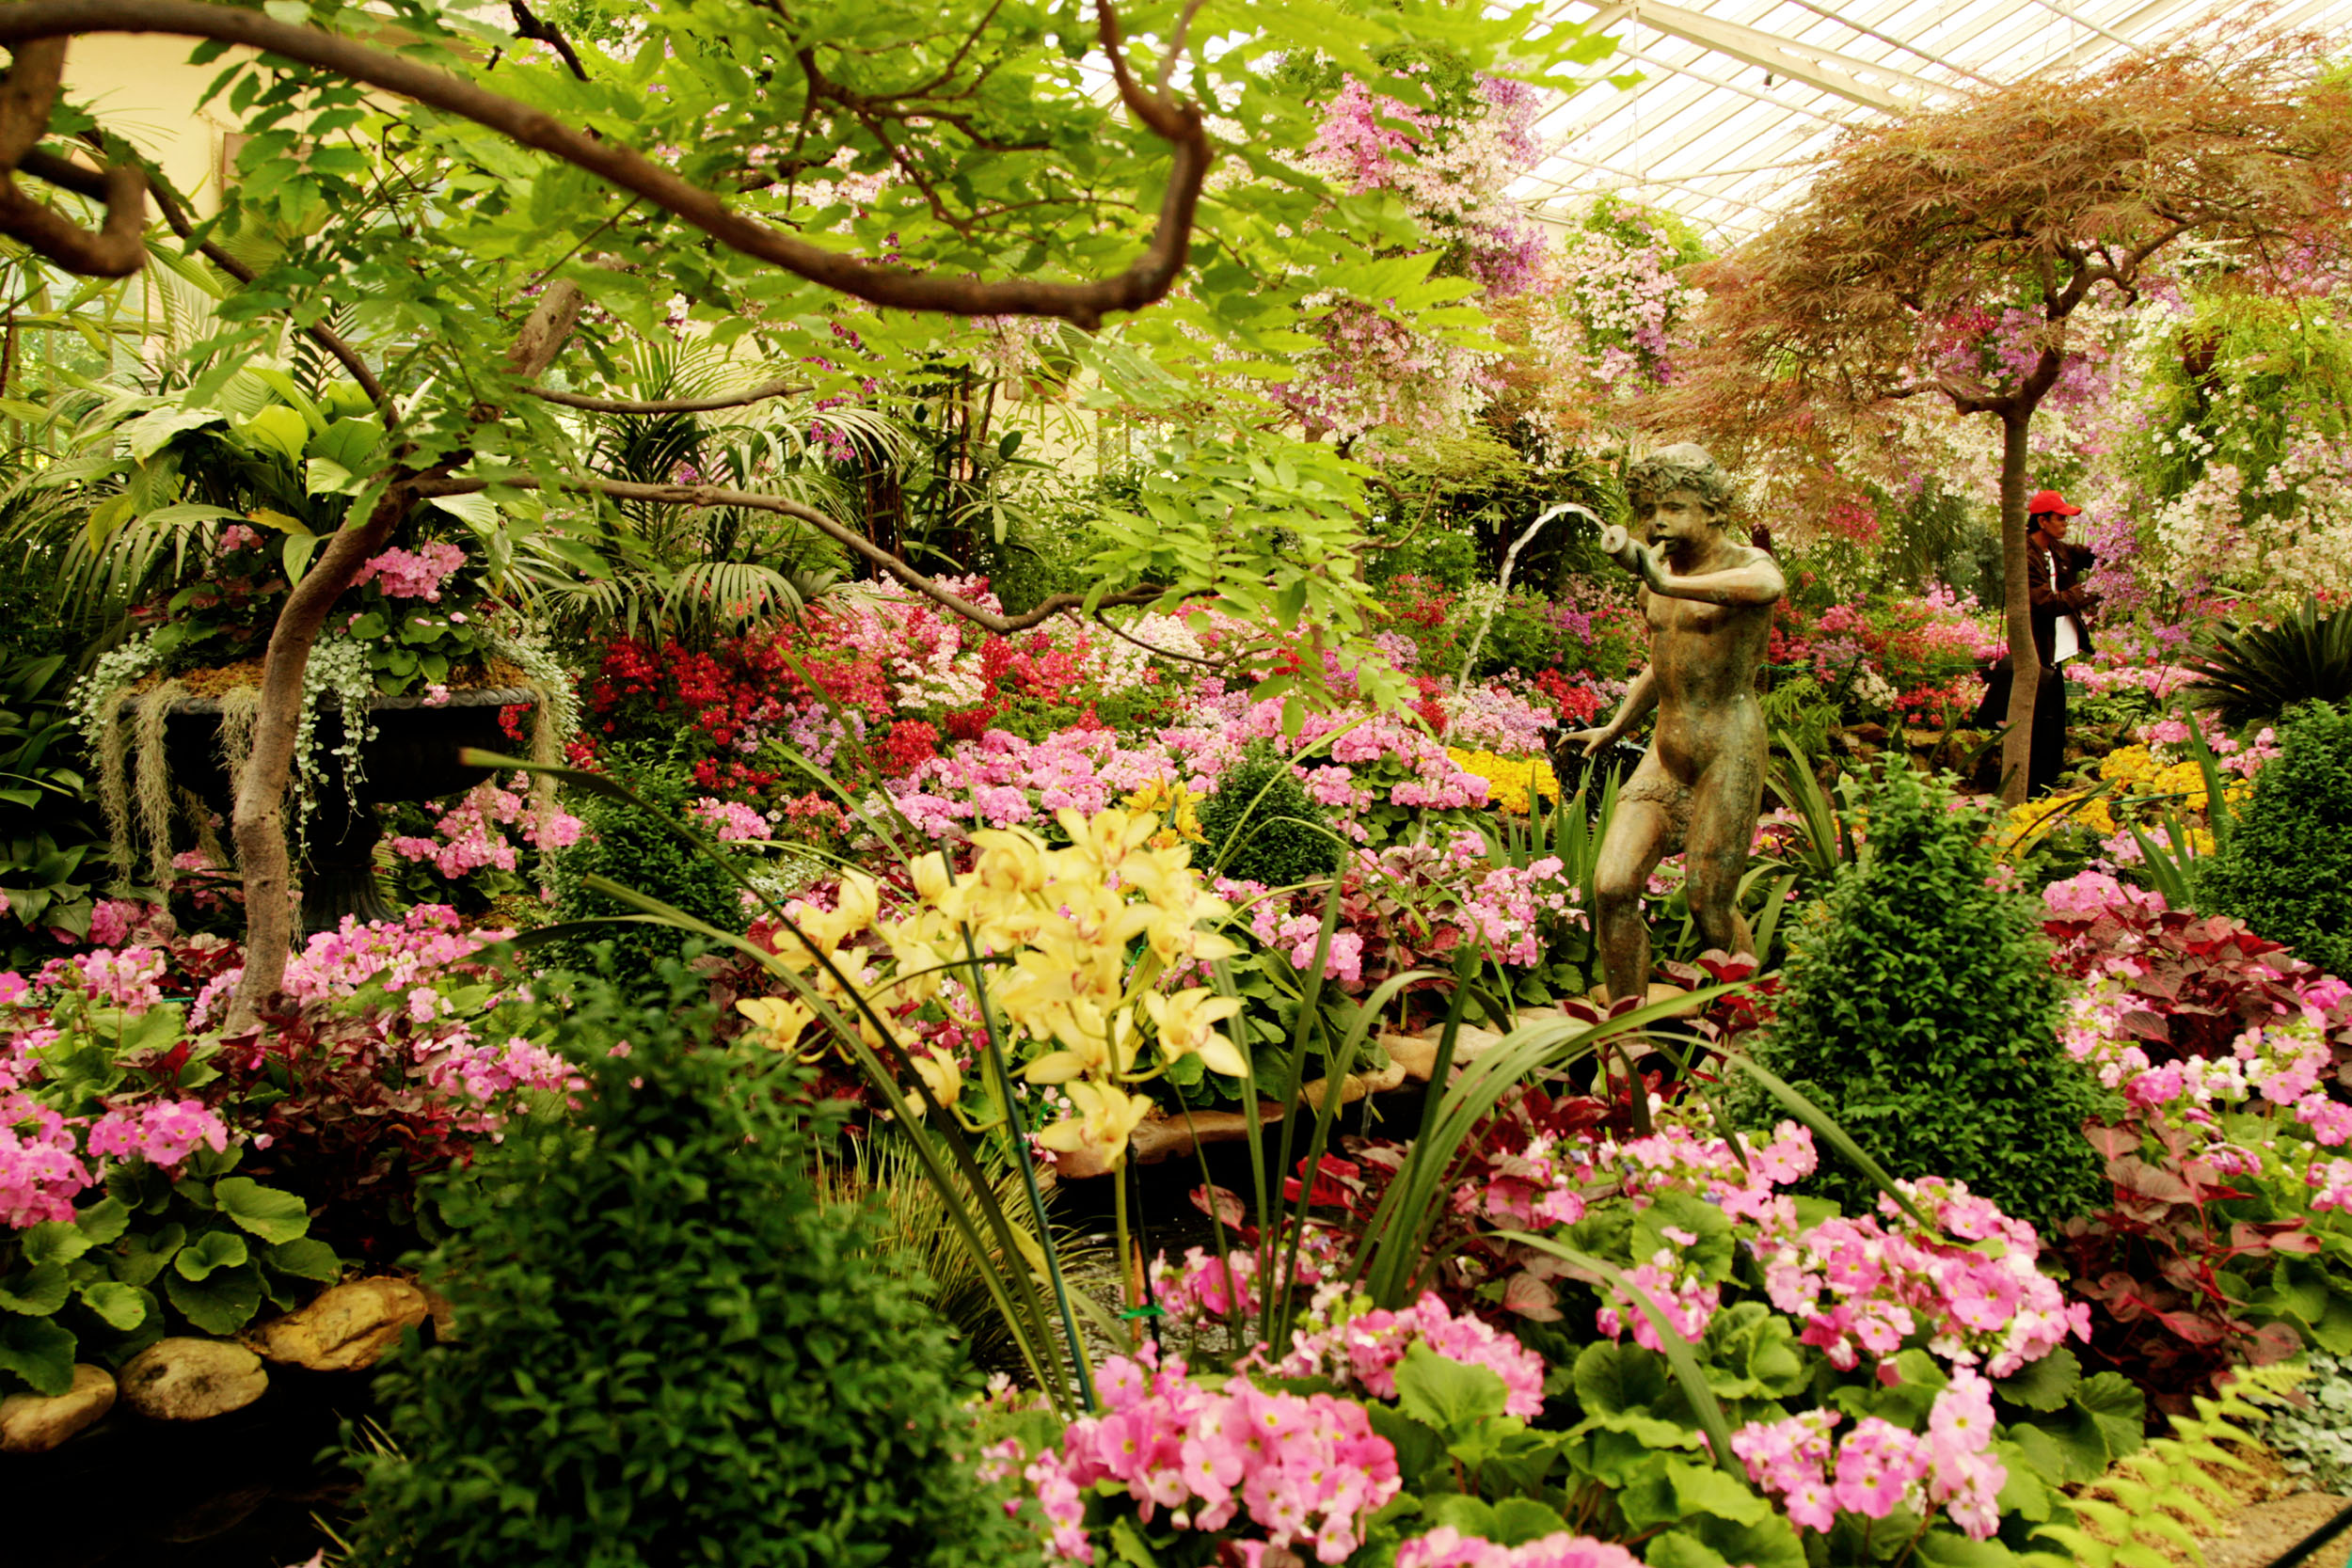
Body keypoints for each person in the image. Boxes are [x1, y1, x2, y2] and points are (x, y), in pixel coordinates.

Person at [1567, 445, 1785, 1008]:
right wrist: (1614, 727)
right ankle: (1627, 1038)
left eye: (1672, 506)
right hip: (1666, 752)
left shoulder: (1749, 566)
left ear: (1714, 509)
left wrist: (1664, 581)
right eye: (1648, 509)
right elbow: (1664, 658)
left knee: (1709, 903)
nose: (1656, 522)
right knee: (1612, 885)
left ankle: (1748, 1030)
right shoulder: (1658, 577)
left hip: (1727, 750)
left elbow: (1768, 589)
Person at [1974, 489, 2099, 798]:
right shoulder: (2024, 556)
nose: (2066, 524)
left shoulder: (2057, 549)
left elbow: (2089, 554)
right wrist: (2092, 589)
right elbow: (2046, 604)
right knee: (2038, 721)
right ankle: (2028, 790)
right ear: (2042, 521)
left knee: (2053, 721)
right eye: (2061, 519)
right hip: (2035, 648)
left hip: (2056, 650)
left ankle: (2045, 784)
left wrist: (2115, 548)